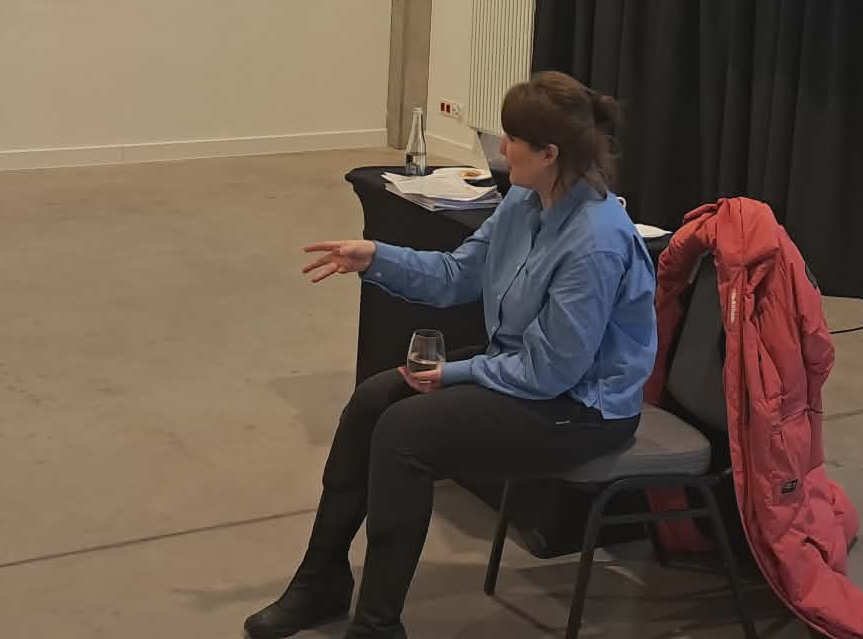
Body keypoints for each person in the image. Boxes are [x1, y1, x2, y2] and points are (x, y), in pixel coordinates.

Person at [245, 71, 658, 639]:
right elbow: (457, 274)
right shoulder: (524, 200)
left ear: (550, 153)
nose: (501, 148)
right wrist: (375, 257)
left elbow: (551, 373)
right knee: (372, 402)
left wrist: (456, 372)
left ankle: (376, 626)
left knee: (405, 434)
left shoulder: (595, 242)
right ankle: (321, 580)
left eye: (513, 139)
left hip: (582, 407)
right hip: (525, 371)